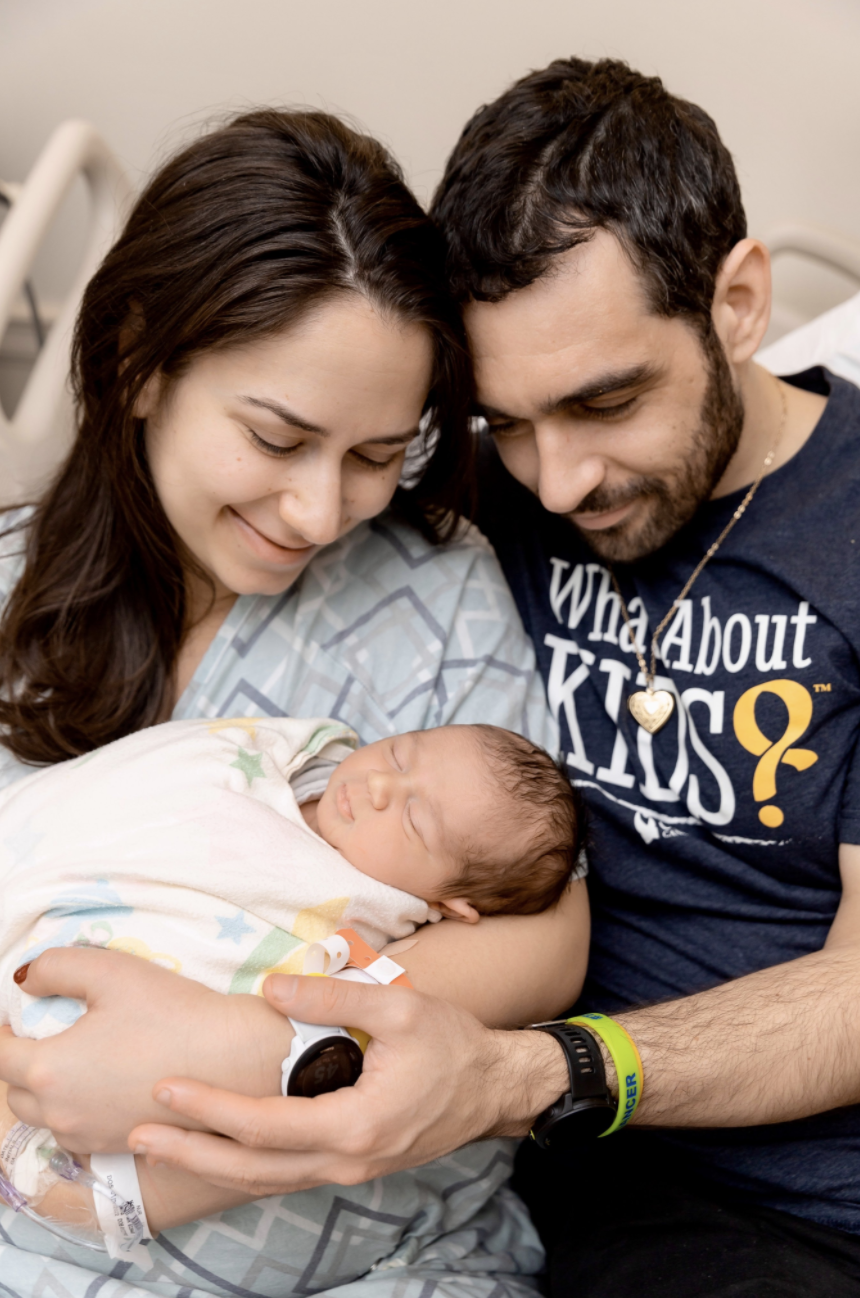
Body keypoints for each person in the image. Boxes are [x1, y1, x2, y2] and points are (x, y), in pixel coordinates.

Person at [12, 54, 859, 1298]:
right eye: (504, 423)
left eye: (607, 401)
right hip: (542, 1163)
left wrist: (518, 1070)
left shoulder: (832, 540)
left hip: (765, 1193)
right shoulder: (436, 499)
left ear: (739, 303)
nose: (556, 483)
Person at [0, 105, 590, 1297]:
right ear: (136, 362)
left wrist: (256, 1041)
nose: (322, 511)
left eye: (376, 455)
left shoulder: (427, 596)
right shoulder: (15, 595)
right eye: (277, 436)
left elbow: (543, 935)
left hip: (380, 1259)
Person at [0, 714, 584, 1255]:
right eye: (402, 755)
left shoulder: (368, 925)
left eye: (412, 820)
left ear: (449, 903)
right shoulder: (288, 763)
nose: (381, 785)